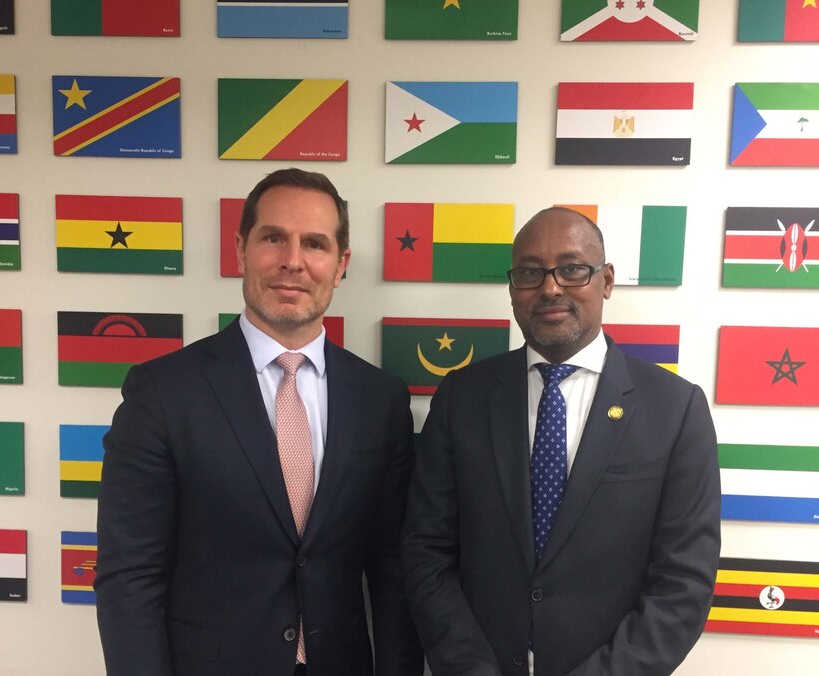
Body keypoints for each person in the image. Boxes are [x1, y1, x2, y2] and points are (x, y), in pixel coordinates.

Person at [96, 168, 423, 676]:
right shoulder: (162, 392)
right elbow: (129, 575)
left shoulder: (380, 399)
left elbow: (392, 568)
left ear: (340, 265)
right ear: (241, 249)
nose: (293, 261)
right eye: (274, 238)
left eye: (315, 244)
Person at [402, 206, 720, 676]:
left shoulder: (675, 409)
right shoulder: (461, 398)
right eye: (530, 273)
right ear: (513, 289)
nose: (550, 287)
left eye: (572, 269)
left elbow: (684, 582)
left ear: (606, 281)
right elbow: (426, 551)